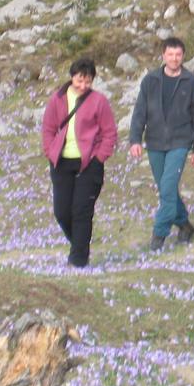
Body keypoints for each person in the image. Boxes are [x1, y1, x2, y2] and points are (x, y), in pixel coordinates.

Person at [129, 37, 194, 251]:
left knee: (167, 187)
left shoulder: (192, 82)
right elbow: (139, 112)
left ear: (183, 56)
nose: (174, 58)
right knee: (167, 190)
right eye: (170, 54)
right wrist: (135, 139)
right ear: (163, 55)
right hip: (154, 142)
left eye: (178, 55)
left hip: (180, 142)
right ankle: (184, 225)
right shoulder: (150, 80)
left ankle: (159, 235)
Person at [41, 58, 117, 267]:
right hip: (61, 162)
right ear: (72, 77)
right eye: (79, 80)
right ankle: (80, 245)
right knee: (62, 212)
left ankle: (78, 260)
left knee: (82, 211)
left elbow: (109, 133)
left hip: (89, 163)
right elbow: (48, 129)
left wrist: (99, 158)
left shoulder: (99, 101)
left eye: (88, 81)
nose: (83, 85)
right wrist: (49, 150)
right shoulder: (57, 99)